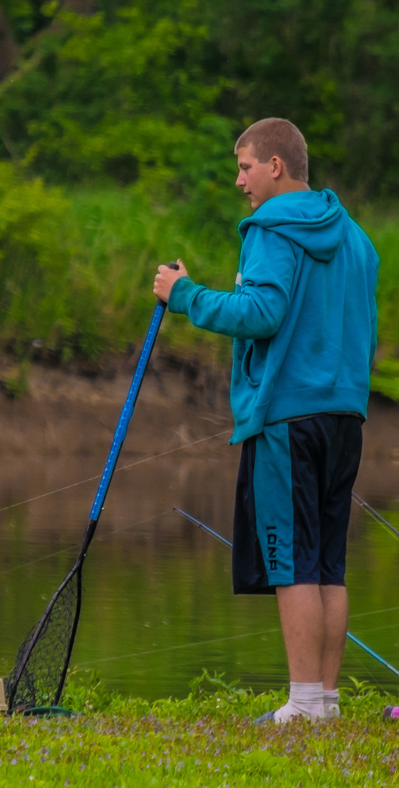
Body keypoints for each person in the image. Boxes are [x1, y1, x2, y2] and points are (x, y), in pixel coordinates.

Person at [153, 118, 379, 723]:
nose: (239, 180)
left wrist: (184, 294)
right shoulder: (357, 238)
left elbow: (261, 313)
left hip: (287, 418)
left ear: (276, 166)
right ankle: (324, 702)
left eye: (245, 165)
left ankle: (303, 704)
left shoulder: (269, 229)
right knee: (328, 560)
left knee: (292, 561)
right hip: (345, 417)